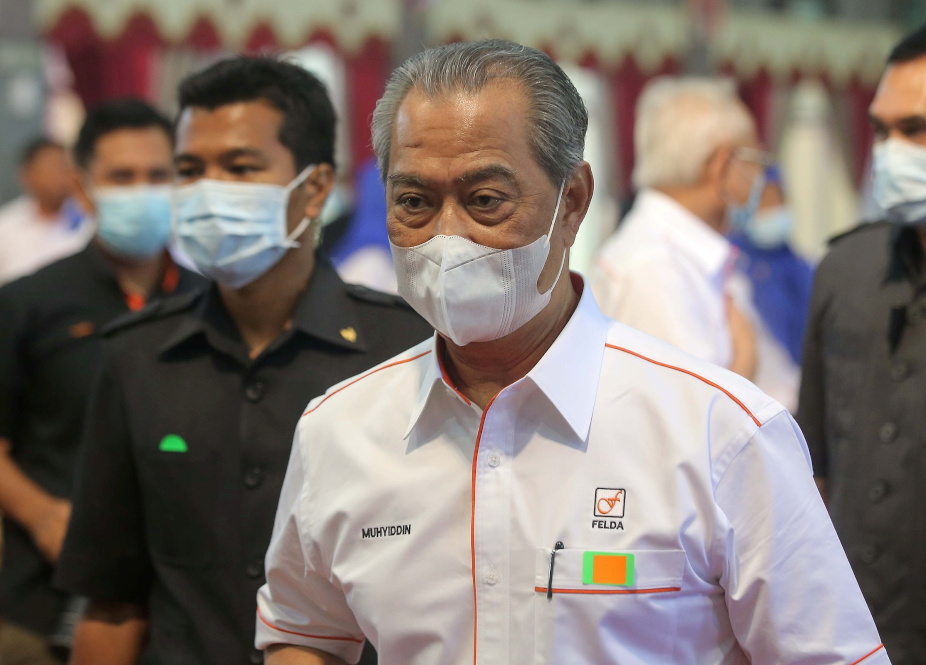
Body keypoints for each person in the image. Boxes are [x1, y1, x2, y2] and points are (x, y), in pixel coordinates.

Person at [257, 40, 889, 665]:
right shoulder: (338, 430)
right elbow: (302, 631)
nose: (447, 237)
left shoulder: (720, 435)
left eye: (485, 201)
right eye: (414, 202)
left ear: (574, 201)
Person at [53, 56, 430, 665]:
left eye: (240, 167)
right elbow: (113, 600)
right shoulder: (137, 356)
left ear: (312, 190)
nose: (208, 191)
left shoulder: (405, 353)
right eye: (191, 170)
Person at [797, 17, 926, 665]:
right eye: (882, 130)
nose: (890, 153)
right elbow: (816, 474)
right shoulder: (846, 272)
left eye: (917, 130)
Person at [0, 99, 204, 665]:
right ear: (84, 190)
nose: (142, 191)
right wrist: (41, 513)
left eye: (158, 175)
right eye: (122, 177)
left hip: (179, 606)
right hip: (42, 599)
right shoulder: (27, 303)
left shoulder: (210, 305)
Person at [590, 78, 764, 381]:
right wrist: (747, 357)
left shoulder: (674, 256)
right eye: (754, 161)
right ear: (722, 165)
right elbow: (694, 418)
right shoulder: (654, 268)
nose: (760, 176)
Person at [729, 165, 815, 410]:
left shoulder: (801, 267)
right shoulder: (729, 266)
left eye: (779, 198)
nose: (773, 208)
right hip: (748, 407)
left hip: (798, 403)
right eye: (763, 199)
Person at [0, 139, 90, 285]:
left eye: (64, 167)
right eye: (50, 168)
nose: (59, 176)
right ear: (27, 175)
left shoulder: (89, 221)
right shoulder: (5, 227)